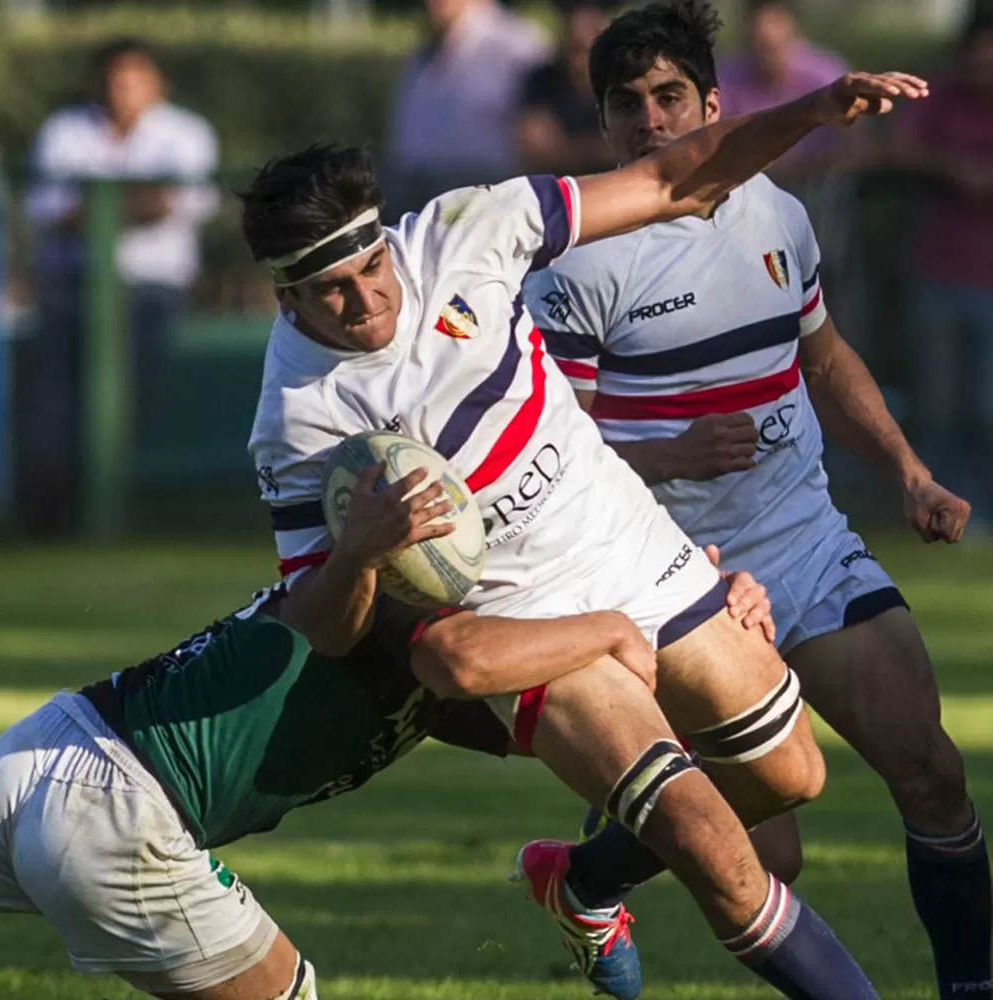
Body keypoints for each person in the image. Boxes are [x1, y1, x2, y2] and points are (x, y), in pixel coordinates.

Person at [240, 55, 927, 999]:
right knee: (717, 854)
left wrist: (810, 109)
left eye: (369, 268)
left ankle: (581, 878)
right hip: (531, 629)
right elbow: (323, 626)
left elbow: (668, 179)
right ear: (285, 296)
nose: (367, 303)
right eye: (332, 293)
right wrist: (359, 550)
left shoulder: (462, 232)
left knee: (789, 780)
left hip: (638, 554)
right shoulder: (296, 419)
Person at [0, 562, 773, 1000]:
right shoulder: (399, 614)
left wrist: (701, 632)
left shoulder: (461, 676)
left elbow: (594, 747)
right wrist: (633, 617)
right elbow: (462, 655)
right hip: (117, 809)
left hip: (41, 750)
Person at [523, 3, 989, 997]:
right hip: (675, 571)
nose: (649, 120)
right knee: (769, 857)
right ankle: (585, 877)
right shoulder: (573, 257)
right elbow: (553, 454)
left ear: (714, 104)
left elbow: (823, 355)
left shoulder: (778, 210)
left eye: (669, 97)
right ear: (604, 121)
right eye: (626, 103)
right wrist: (677, 449)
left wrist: (907, 470)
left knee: (934, 773)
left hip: (806, 539)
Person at [20, 38, 219, 534]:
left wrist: (97, 208)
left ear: (156, 84)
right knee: (53, 389)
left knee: (131, 384)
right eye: (113, 79)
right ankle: (56, 507)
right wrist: (132, 203)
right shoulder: (64, 131)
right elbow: (47, 212)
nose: (121, 91)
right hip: (72, 285)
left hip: (150, 290)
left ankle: (126, 502)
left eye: (133, 80)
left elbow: (177, 205)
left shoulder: (185, 134)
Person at [896, 7, 993, 529]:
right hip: (938, 272)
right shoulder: (940, 101)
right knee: (939, 406)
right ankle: (937, 508)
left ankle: (985, 510)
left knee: (987, 407)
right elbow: (900, 150)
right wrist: (953, 171)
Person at [383, 0, 550, 215]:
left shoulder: (520, 46)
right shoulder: (422, 53)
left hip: (485, 204)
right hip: (411, 198)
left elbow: (540, 139)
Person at [715, 0, 851, 184]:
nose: (766, 56)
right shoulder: (727, 76)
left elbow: (856, 139)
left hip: (818, 183)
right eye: (759, 46)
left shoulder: (826, 75)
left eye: (773, 47)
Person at [517, 0, 615, 176]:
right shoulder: (541, 80)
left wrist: (566, 150)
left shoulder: (621, 79)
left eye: (584, 49)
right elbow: (537, 150)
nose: (579, 60)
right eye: (575, 48)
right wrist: (598, 150)